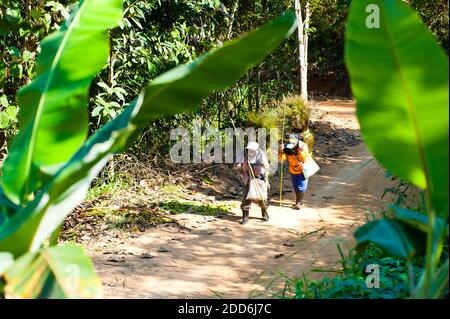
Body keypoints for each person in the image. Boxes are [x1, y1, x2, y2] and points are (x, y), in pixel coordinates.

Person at [235, 141, 270, 225]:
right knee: (247, 198)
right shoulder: (244, 154)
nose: (250, 151)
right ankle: (245, 217)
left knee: (262, 198)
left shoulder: (260, 155)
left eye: (252, 150)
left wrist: (257, 169)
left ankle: (264, 212)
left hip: (260, 179)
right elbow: (238, 166)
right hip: (248, 179)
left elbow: (266, 167)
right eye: (249, 150)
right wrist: (239, 167)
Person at [278, 134, 310, 210]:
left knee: (301, 186)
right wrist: (281, 151)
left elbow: (304, 159)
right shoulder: (287, 149)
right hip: (293, 169)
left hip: (304, 168)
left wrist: (301, 150)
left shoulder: (303, 147)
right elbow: (282, 159)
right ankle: (298, 200)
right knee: (295, 186)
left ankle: (299, 203)